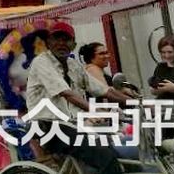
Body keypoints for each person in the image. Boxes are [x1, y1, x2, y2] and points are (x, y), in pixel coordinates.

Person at [24, 21, 134, 174]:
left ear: (73, 44)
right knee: (105, 156)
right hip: (49, 126)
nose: (61, 43)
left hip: (74, 125)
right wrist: (95, 111)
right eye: (57, 39)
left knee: (115, 151)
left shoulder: (73, 65)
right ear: (48, 42)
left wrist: (138, 103)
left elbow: (103, 90)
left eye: (66, 39)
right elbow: (66, 93)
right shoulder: (41, 62)